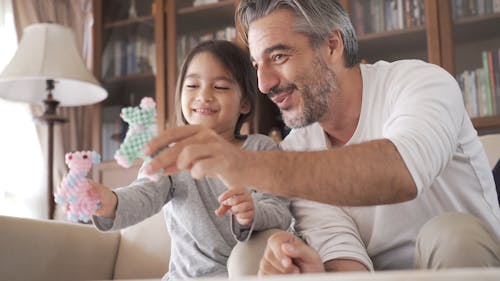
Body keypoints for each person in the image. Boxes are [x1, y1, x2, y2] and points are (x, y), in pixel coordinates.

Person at [142, 0, 500, 275]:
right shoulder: (299, 147)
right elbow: (347, 260)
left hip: (467, 262)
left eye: (278, 56)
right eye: (255, 65)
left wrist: (246, 164)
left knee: (450, 233)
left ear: (332, 45)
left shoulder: (420, 83)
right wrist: (318, 274)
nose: (264, 84)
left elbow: (400, 172)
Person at [90, 40, 292, 280]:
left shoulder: (262, 148)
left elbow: (281, 210)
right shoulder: (172, 153)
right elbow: (144, 194)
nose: (203, 96)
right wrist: (110, 203)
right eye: (193, 85)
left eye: (220, 87)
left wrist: (254, 212)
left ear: (245, 103)